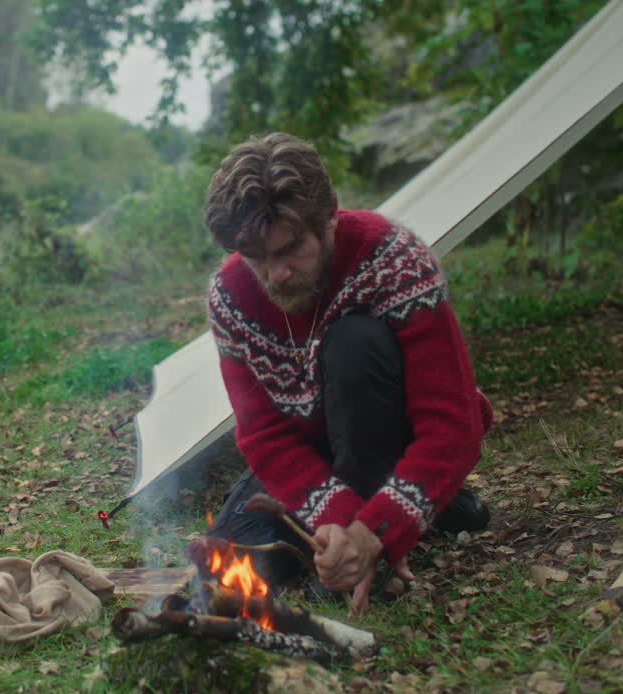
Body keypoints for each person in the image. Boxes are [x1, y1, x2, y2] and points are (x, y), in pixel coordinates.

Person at [202, 132, 493, 614]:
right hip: (313, 448)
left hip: (383, 426)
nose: (276, 274)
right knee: (235, 558)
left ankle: (408, 505)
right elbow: (264, 434)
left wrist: (374, 533)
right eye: (256, 257)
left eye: (290, 248)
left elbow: (452, 424)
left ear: (330, 215)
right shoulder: (231, 297)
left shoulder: (394, 259)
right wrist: (340, 523)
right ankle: (427, 508)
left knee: (354, 342)